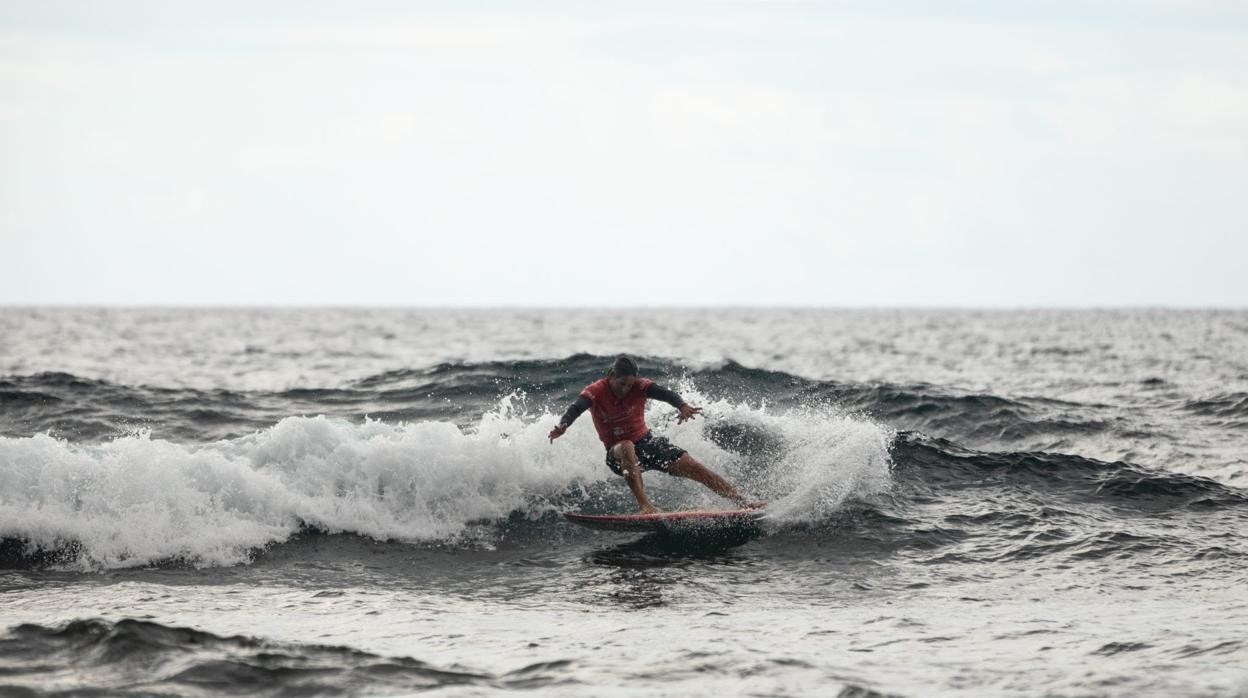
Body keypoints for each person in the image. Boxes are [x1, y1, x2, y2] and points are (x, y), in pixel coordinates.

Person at [548, 355, 757, 514]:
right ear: (611, 377)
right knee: (627, 445)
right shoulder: (596, 390)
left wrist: (682, 405)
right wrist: (563, 425)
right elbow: (576, 407)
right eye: (622, 384)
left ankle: (742, 501)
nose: (626, 389)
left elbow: (666, 394)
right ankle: (646, 506)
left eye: (630, 385)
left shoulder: (640, 387)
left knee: (694, 467)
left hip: (647, 443)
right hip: (617, 453)